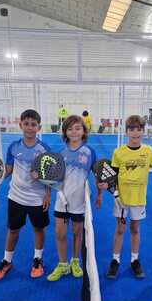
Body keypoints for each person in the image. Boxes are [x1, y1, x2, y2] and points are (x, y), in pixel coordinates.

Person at [0, 109, 51, 281]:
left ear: (38, 127)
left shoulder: (44, 149)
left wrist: (48, 194)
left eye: (33, 125)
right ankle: (7, 261)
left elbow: (49, 174)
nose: (30, 128)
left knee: (38, 229)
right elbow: (7, 170)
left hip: (37, 198)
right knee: (13, 230)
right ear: (20, 125)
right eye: (26, 124)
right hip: (16, 196)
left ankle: (38, 259)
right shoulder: (14, 147)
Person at [102, 115, 152, 279]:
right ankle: (115, 260)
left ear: (143, 131)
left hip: (139, 199)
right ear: (126, 131)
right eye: (132, 129)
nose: (135, 133)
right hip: (121, 200)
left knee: (135, 229)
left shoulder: (148, 151)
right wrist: (108, 187)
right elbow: (112, 176)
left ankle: (134, 260)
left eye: (139, 129)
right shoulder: (118, 152)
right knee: (120, 229)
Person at [47, 114, 100, 281]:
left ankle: (75, 261)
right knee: (60, 233)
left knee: (77, 233)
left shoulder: (89, 152)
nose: (74, 132)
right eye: (70, 129)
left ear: (84, 131)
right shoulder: (60, 152)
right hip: (61, 201)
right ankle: (63, 264)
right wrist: (48, 193)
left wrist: (100, 195)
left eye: (78, 128)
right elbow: (52, 176)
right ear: (65, 132)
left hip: (79, 202)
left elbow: (97, 174)